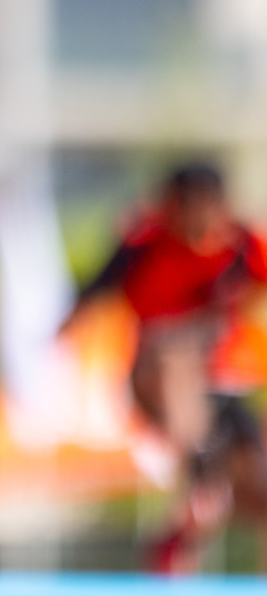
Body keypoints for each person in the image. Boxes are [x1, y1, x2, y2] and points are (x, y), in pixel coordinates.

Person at [61, 162, 267, 572]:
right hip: (156, 376)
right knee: (176, 358)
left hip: (218, 384)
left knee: (252, 486)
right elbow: (95, 290)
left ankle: (183, 534)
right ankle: (201, 475)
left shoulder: (243, 246)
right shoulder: (146, 243)